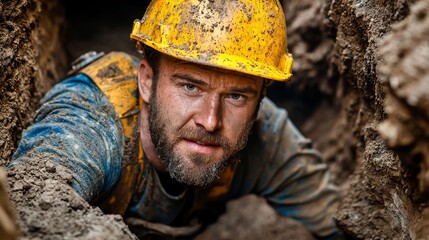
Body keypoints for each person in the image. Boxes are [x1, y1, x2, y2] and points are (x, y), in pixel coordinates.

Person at [9, 0, 342, 239]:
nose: (211, 121)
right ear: (147, 82)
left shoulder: (265, 135)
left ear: (260, 101)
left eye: (237, 96)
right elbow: (33, 205)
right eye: (190, 86)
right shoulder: (91, 121)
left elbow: (340, 223)